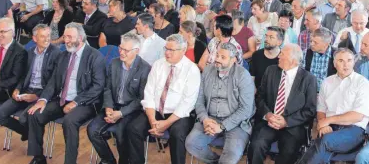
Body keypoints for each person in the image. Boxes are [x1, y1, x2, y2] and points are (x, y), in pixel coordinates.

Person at [26, 23, 106, 164]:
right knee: (35, 114)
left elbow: (97, 87)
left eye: (69, 37)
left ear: (80, 38)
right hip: (62, 99)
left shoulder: (95, 56)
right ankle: (38, 158)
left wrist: (76, 102)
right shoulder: (63, 55)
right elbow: (53, 82)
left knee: (69, 121)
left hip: (86, 102)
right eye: (65, 36)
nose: (66, 40)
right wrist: (43, 99)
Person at [126, 34, 201, 164]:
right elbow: (148, 93)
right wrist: (152, 120)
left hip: (178, 115)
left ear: (183, 50)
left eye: (171, 50)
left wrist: (166, 124)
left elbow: (187, 104)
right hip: (155, 112)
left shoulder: (192, 70)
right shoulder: (158, 65)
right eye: (166, 48)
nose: (167, 53)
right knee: (133, 129)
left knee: (177, 135)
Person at [297, 48, 369, 164]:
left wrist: (327, 121)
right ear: (334, 63)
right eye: (341, 61)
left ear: (354, 62)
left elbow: (357, 116)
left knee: (324, 142)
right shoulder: (327, 82)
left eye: (349, 60)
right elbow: (321, 110)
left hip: (354, 130)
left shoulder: (363, 83)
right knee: (322, 149)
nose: (345, 64)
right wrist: (323, 125)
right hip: (329, 126)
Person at [87, 32, 151, 164]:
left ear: (136, 51)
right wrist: (109, 107)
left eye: (126, 50)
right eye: (120, 48)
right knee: (92, 130)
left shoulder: (145, 69)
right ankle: (108, 160)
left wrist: (121, 113)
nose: (121, 52)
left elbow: (141, 99)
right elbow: (107, 88)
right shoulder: (114, 63)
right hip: (113, 105)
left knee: (121, 132)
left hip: (131, 110)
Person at [186, 42, 255, 164]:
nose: (217, 59)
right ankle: (216, 161)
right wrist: (204, 119)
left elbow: (245, 109)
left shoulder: (243, 75)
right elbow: (199, 99)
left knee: (230, 157)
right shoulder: (207, 70)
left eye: (223, 57)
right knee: (192, 144)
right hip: (210, 119)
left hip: (236, 123)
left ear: (233, 60)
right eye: (217, 55)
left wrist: (222, 126)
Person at [248, 44, 317, 164]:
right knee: (256, 145)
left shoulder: (308, 79)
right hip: (269, 121)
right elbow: (260, 97)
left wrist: (286, 121)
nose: (278, 56)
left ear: (293, 61)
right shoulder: (271, 71)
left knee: (289, 152)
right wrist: (268, 114)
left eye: (282, 54)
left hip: (292, 125)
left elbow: (309, 110)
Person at [0, 24, 59, 141]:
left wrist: (37, 96)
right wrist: (17, 89)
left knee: (24, 119)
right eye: (43, 36)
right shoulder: (29, 52)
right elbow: (23, 75)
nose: (47, 39)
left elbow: (54, 83)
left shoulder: (56, 53)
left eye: (48, 35)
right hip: (25, 91)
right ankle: (26, 132)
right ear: (34, 39)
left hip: (42, 93)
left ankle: (33, 139)